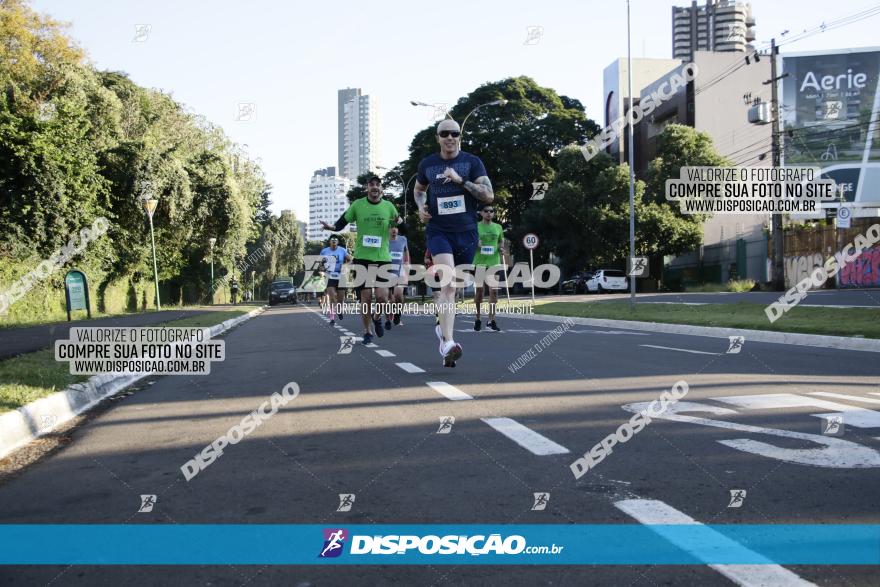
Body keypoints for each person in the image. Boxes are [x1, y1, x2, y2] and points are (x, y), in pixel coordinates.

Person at [414, 119, 494, 367]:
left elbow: (488, 195)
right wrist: (420, 207)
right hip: (439, 231)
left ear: (460, 136)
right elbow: (419, 190)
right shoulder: (428, 163)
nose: (450, 137)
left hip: (467, 233)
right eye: (444, 133)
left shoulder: (472, 162)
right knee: (447, 285)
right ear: (437, 137)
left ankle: (442, 333)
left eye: (454, 133)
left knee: (455, 289)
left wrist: (460, 181)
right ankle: (448, 342)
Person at [321, 175, 401, 345]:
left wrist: (400, 222)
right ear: (367, 188)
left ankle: (377, 317)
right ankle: (367, 331)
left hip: (382, 259)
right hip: (363, 259)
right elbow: (343, 221)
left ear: (381, 189)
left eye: (378, 185)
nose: (374, 187)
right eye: (371, 185)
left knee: (382, 297)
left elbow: (402, 225)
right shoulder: (358, 204)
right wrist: (332, 228)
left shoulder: (389, 206)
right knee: (365, 298)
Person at [472, 205, 507, 331]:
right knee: (480, 292)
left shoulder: (498, 227)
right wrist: (476, 243)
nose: (489, 213)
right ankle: (477, 318)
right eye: (486, 211)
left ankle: (491, 320)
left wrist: (502, 248)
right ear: (481, 213)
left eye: (491, 211)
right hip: (480, 263)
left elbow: (501, 241)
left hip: (494, 262)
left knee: (494, 291)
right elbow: (471, 240)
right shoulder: (476, 226)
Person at [319, 236, 351, 326]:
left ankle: (339, 310)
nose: (334, 241)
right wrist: (322, 271)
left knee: (340, 299)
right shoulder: (324, 251)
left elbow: (350, 259)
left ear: (337, 242)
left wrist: (345, 266)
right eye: (332, 240)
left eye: (335, 240)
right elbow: (320, 263)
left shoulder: (342, 250)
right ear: (329, 242)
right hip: (330, 275)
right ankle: (332, 318)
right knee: (333, 297)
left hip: (341, 276)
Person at [385, 226, 409, 329]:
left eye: (396, 228)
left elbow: (406, 251)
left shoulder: (403, 239)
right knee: (389, 298)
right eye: (391, 227)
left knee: (399, 295)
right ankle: (388, 316)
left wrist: (407, 261)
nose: (394, 230)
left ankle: (398, 314)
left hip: (400, 270)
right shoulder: (383, 240)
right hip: (386, 271)